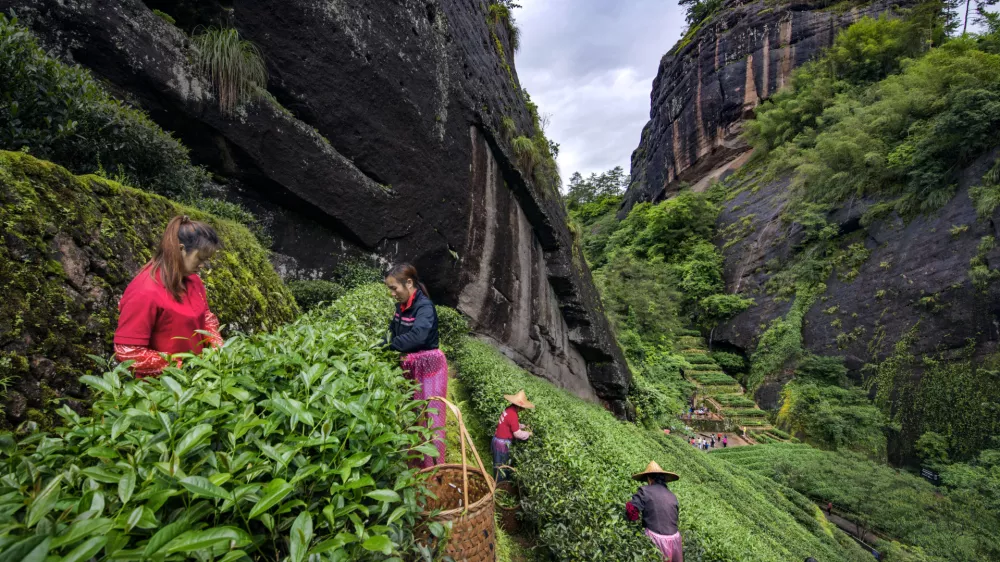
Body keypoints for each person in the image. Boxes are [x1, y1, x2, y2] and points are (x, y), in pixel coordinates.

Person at [114, 216, 223, 377]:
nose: (203, 265)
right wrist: (180, 368)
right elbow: (128, 351)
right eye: (200, 258)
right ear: (180, 249)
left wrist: (217, 347)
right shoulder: (145, 291)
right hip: (160, 388)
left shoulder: (193, 280)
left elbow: (205, 316)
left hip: (196, 377)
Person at [385, 263, 447, 469]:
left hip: (430, 368)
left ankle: (434, 469)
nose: (392, 293)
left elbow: (418, 336)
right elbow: (394, 332)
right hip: (411, 366)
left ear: (409, 283)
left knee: (431, 418)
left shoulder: (424, 307)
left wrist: (389, 346)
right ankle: (415, 465)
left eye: (394, 288)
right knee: (413, 416)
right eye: (390, 289)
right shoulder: (400, 307)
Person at [626, 461, 683, 562]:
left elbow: (632, 511)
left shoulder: (645, 491)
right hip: (675, 540)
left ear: (649, 478)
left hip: (657, 539)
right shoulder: (672, 495)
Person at [492, 390, 534, 481]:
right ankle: (498, 487)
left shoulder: (509, 409)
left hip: (497, 440)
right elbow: (517, 434)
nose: (523, 409)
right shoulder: (513, 414)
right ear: (519, 406)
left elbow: (511, 424)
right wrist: (528, 434)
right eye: (523, 407)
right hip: (502, 444)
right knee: (501, 467)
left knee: (498, 464)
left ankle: (498, 483)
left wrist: (523, 426)